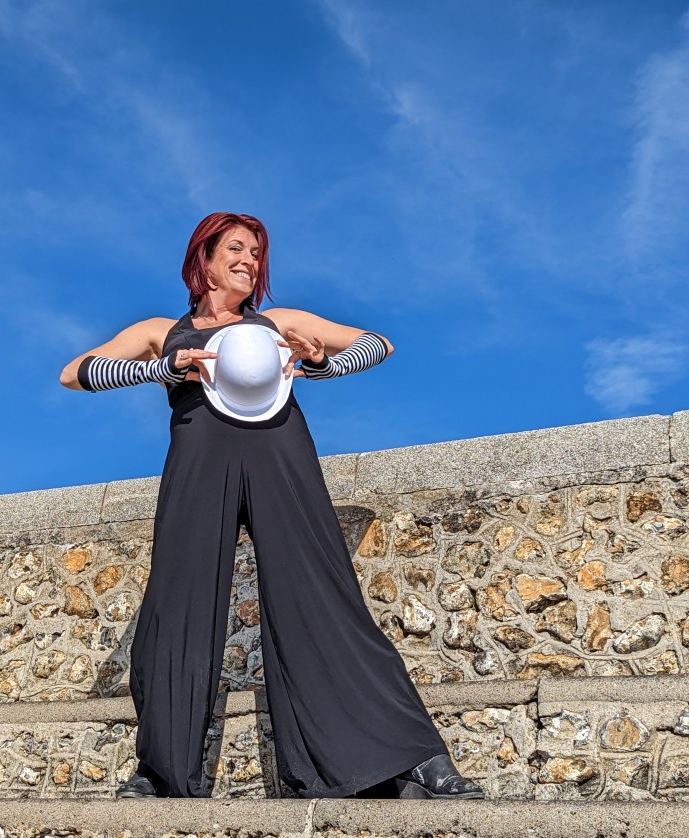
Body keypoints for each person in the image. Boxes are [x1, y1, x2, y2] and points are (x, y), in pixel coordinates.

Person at [59, 211, 483, 802]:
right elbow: (73, 374)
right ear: (203, 259)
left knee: (323, 596)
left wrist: (320, 364)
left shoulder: (277, 322)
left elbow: (378, 343)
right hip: (199, 461)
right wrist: (161, 366)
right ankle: (160, 771)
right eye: (235, 248)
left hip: (279, 450)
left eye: (256, 253)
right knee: (175, 605)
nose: (249, 261)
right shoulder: (163, 330)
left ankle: (411, 760)